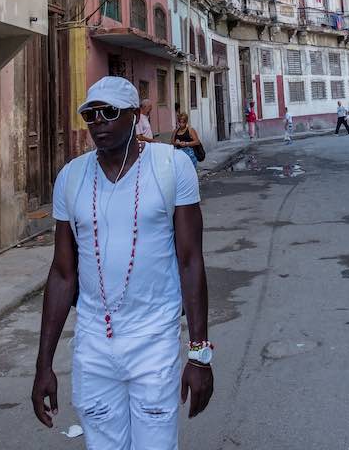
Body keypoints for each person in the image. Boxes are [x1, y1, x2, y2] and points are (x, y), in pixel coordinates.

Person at [31, 76, 213, 450]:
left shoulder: (172, 166)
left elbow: (191, 262)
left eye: (109, 113)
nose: (98, 122)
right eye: (90, 115)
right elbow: (63, 274)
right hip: (94, 342)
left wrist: (199, 354)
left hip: (154, 338)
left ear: (133, 115)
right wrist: (43, 365)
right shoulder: (71, 177)